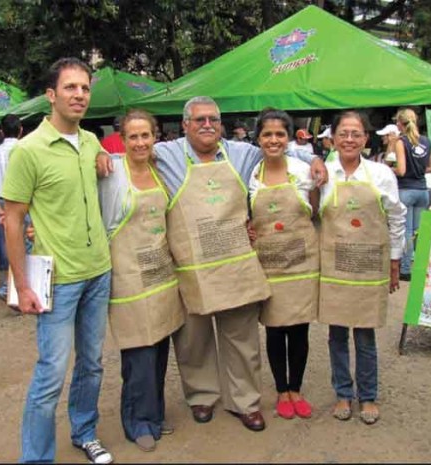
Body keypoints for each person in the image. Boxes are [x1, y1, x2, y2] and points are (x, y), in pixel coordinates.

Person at [97, 96, 326, 433]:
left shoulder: (241, 153)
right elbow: (130, 153)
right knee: (194, 341)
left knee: (242, 341)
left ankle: (245, 402)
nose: (207, 125)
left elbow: (278, 149)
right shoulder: (167, 154)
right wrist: (98, 153)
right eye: (199, 120)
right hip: (192, 271)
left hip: (236, 268)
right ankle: (201, 396)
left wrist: (316, 158)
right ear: (185, 125)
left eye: (213, 120)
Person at [2, 57, 113, 464]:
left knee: (93, 364)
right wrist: (22, 286)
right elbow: (12, 220)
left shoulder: (89, 142)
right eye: (70, 87)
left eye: (84, 88)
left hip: (99, 272)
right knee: (50, 373)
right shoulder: (29, 150)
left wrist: (102, 153)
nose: (79, 95)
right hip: (59, 280)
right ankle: (36, 458)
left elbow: (98, 160)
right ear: (51, 95)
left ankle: (84, 431)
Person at [97, 109, 185, 452]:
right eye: (132, 136)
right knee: (139, 352)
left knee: (160, 346)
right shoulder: (111, 171)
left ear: (155, 136)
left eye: (145, 135)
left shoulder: (160, 168)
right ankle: (138, 421)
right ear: (122, 138)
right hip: (128, 273)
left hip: (161, 272)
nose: (140, 142)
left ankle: (155, 412)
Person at [318, 110, 406, 425]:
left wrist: (395, 260)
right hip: (334, 268)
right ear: (333, 138)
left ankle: (368, 396)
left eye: (356, 133)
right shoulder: (322, 174)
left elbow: (396, 218)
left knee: (365, 335)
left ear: (366, 139)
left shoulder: (381, 174)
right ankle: (343, 392)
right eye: (344, 133)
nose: (350, 139)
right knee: (337, 334)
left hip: (369, 267)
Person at [248, 108, 319, 420]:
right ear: (259, 139)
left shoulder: (303, 172)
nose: (273, 140)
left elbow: (316, 212)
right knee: (275, 329)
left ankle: (296, 389)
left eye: (279, 134)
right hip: (269, 264)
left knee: (299, 329)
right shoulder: (252, 175)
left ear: (289, 138)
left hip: (301, 264)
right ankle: (281, 391)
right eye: (267, 134)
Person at [392, 108, 431, 281]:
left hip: (406, 190)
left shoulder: (401, 142)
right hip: (422, 190)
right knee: (418, 232)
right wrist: (418, 170)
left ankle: (405, 269)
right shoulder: (426, 141)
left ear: (400, 124)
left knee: (406, 231)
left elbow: (401, 170)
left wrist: (389, 169)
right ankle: (420, 267)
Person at [0, 114, 24, 300]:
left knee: (8, 243)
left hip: (2, 202)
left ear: (1, 132)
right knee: (29, 245)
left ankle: (12, 286)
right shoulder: (26, 150)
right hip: (25, 202)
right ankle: (10, 287)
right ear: (21, 130)